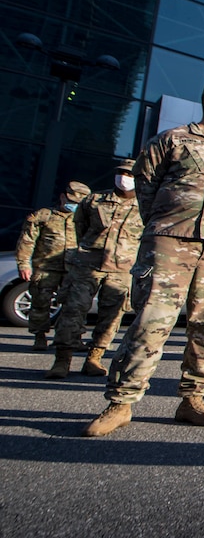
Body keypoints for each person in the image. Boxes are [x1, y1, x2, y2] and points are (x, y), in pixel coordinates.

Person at [83, 80, 204, 438]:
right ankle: (122, 402)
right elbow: (146, 187)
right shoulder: (172, 140)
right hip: (169, 244)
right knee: (151, 321)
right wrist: (165, 226)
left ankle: (193, 399)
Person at [46, 161, 142, 378]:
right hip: (88, 264)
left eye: (129, 174)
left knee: (112, 317)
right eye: (121, 173)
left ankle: (94, 358)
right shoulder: (95, 200)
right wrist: (88, 250)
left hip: (121, 268)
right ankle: (62, 360)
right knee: (73, 309)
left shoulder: (145, 205)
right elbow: (79, 226)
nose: (124, 177)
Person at [16, 180, 91, 349]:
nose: (73, 206)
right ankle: (40, 337)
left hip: (73, 269)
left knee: (75, 305)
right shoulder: (44, 216)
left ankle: (73, 338)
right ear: (63, 197)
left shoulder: (84, 220)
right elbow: (27, 241)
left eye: (78, 203)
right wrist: (23, 264)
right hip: (46, 267)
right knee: (40, 303)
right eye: (71, 202)